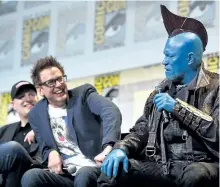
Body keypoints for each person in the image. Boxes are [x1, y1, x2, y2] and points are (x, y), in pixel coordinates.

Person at [99, 5, 219, 187]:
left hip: (204, 164)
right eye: (165, 55)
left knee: (196, 175)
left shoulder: (216, 87)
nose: (164, 62)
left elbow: (217, 133)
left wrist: (177, 108)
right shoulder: (161, 90)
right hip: (164, 167)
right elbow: (141, 129)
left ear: (189, 59)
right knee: (114, 171)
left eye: (170, 56)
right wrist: (121, 148)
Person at [21, 56, 122, 187]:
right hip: (65, 175)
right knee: (31, 177)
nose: (58, 84)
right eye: (51, 82)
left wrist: (108, 148)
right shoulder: (36, 113)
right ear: (40, 90)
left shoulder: (83, 95)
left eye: (60, 79)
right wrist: (51, 152)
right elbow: (45, 145)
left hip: (93, 168)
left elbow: (110, 111)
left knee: (84, 174)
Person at [0, 81, 41, 187]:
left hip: (33, 175)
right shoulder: (3, 131)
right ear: (13, 104)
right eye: (21, 96)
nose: (28, 99)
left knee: (13, 149)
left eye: (31, 94)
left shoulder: (49, 125)